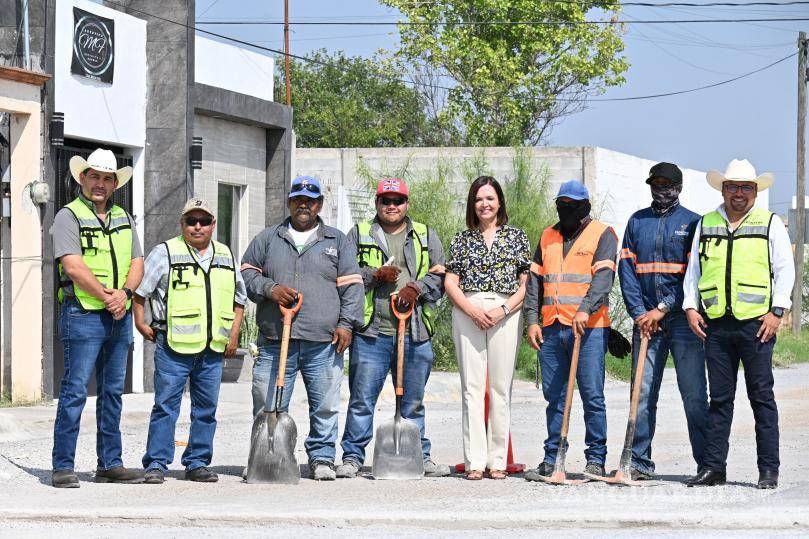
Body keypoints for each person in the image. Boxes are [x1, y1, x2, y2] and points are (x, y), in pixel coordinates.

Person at [241, 176, 364, 481]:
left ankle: (322, 458)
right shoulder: (268, 238)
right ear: (289, 203)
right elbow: (247, 273)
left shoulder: (337, 241)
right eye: (298, 199)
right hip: (274, 338)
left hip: (323, 340)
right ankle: (265, 457)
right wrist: (270, 289)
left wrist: (346, 324)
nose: (303, 205)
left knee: (325, 405)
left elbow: (352, 286)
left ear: (319, 204)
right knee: (268, 402)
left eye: (310, 200)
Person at [683, 159, 793, 490]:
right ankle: (714, 468)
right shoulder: (707, 223)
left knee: (761, 397)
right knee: (719, 400)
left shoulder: (770, 223)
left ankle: (768, 470)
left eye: (746, 187)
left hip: (757, 325)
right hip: (716, 325)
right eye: (732, 187)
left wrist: (777, 311)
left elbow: (784, 270)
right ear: (723, 190)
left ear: (755, 191)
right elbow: (694, 271)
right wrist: (690, 307)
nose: (739, 193)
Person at [336, 178, 449, 479]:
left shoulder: (424, 234)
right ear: (377, 203)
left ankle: (420, 455)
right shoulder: (359, 233)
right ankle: (352, 457)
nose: (391, 206)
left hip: (415, 332)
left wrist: (417, 288)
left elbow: (441, 274)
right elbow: (344, 275)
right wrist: (374, 275)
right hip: (371, 334)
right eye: (385, 200)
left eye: (397, 200)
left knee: (413, 402)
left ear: (406, 204)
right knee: (362, 400)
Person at [133, 198, 246, 484]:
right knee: (165, 407)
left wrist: (233, 334)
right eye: (191, 221)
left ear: (213, 224)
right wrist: (140, 322)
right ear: (181, 223)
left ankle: (197, 462)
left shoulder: (225, 254)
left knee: (206, 410)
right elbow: (140, 292)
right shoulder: (165, 252)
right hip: (173, 346)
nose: (198, 226)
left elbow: (239, 299)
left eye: (204, 221)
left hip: (212, 348)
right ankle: (156, 463)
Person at [50, 148, 145, 488]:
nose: (100, 184)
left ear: (115, 183)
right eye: (94, 176)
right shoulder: (68, 216)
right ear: (82, 178)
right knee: (75, 391)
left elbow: (137, 262)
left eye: (107, 178)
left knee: (112, 393)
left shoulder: (123, 217)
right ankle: (62, 466)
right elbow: (73, 266)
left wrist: (125, 295)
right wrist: (108, 297)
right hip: (83, 314)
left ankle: (110, 464)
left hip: (119, 316)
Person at [618, 162, 709, 480]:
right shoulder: (636, 221)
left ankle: (707, 463)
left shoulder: (693, 223)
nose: (661, 190)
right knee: (642, 394)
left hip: (683, 320)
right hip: (646, 321)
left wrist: (664, 308)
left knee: (694, 394)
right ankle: (638, 462)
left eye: (667, 185)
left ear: (679, 188)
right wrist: (639, 313)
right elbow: (627, 270)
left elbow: (694, 275)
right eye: (655, 184)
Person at [523, 180, 618, 481]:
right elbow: (534, 283)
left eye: (573, 205)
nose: (566, 209)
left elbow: (603, 279)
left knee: (592, 396)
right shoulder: (547, 236)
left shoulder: (603, 233)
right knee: (555, 397)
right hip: (552, 328)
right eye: (562, 204)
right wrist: (532, 320)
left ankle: (595, 460)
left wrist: (585, 308)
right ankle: (553, 458)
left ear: (585, 206)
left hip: (589, 330)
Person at [445, 176, 530, 480]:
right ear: (472, 204)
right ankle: (475, 462)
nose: (485, 204)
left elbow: (525, 284)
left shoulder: (517, 237)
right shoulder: (461, 239)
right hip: (467, 310)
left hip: (505, 312)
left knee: (500, 388)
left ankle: (498, 461)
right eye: (479, 199)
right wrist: (470, 310)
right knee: (471, 388)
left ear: (499, 202)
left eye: (490, 198)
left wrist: (502, 310)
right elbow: (450, 282)